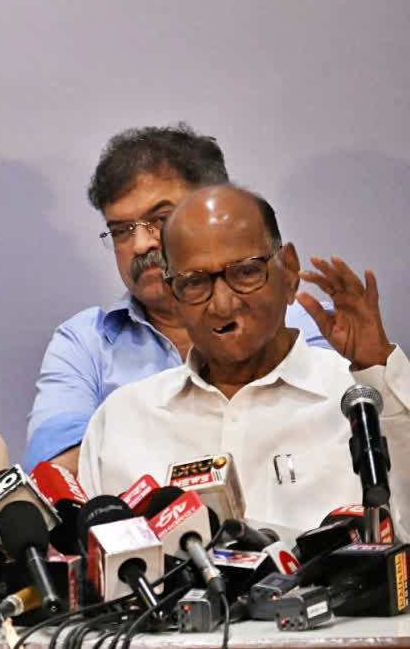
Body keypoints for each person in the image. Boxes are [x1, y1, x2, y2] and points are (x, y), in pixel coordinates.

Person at [78, 185, 410, 536]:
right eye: (194, 282)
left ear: (290, 271)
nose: (222, 305)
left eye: (246, 273)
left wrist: (376, 368)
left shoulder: (364, 397)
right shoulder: (122, 420)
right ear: (173, 295)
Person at [23, 124, 329, 472]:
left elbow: (330, 436)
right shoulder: (86, 342)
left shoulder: (301, 319)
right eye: (122, 230)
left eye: (160, 219)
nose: (141, 245)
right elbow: (55, 472)